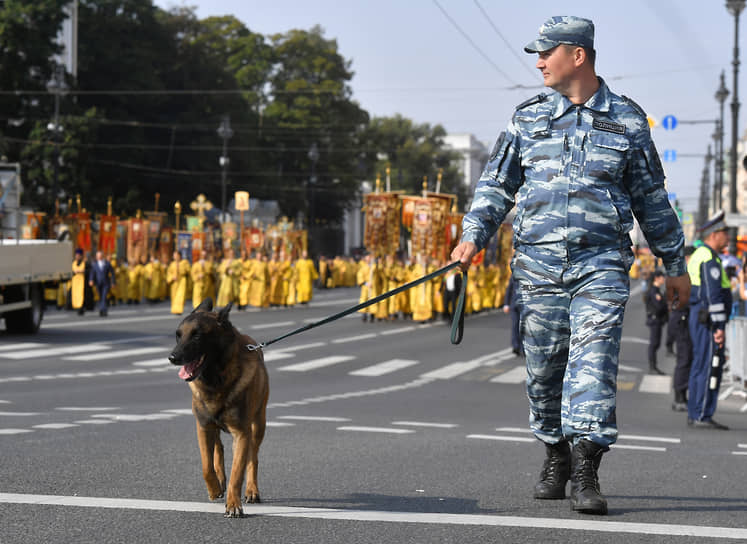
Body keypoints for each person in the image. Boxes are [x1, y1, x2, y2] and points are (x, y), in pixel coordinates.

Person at [450, 16, 690, 516]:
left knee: (594, 363)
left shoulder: (626, 120)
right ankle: (554, 453)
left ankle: (586, 465)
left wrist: (675, 264)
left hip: (600, 264)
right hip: (536, 267)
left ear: (577, 55)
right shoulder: (527, 119)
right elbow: (496, 185)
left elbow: (651, 199)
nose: (538, 62)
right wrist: (472, 236)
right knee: (543, 370)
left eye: (546, 52)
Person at [687, 211, 731, 430]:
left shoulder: (702, 255)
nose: (728, 238)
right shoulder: (708, 258)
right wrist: (719, 327)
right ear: (715, 235)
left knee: (700, 365)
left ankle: (696, 411)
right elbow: (712, 296)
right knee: (708, 366)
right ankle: (702, 414)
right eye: (725, 233)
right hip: (707, 321)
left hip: (701, 318)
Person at [671, 246, 695, 412]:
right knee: (684, 358)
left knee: (686, 357)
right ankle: (679, 397)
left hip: (682, 319)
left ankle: (682, 395)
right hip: (681, 319)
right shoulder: (682, 275)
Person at [644, 270, 668, 375]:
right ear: (657, 278)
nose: (664, 279)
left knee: (656, 343)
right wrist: (665, 303)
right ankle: (652, 366)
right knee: (654, 344)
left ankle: (653, 365)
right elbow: (658, 307)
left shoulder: (657, 290)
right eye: (662, 277)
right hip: (654, 320)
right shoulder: (654, 291)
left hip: (658, 320)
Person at [88, 250, 115, 317]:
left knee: (104, 296)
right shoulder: (95, 264)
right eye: (98, 256)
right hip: (98, 283)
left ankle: (104, 310)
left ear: (102, 256)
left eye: (100, 255)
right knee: (100, 297)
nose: (99, 257)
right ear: (96, 257)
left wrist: (113, 282)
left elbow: (112, 273)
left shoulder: (107, 263)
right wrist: (91, 280)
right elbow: (92, 273)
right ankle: (101, 309)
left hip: (106, 283)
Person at [502, 273, 523, 357]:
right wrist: (506, 304)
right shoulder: (514, 275)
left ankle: (523, 347)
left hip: (524, 305)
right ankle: (515, 346)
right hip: (514, 305)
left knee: (523, 326)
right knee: (515, 325)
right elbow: (509, 289)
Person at [70, 248, 87, 315]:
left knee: (81, 295)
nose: (77, 257)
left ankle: (81, 308)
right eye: (76, 255)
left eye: (78, 255)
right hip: (75, 282)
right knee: (75, 295)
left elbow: (88, 270)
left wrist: (82, 271)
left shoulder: (84, 263)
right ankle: (77, 307)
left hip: (82, 282)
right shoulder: (73, 263)